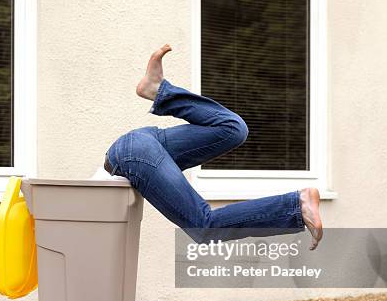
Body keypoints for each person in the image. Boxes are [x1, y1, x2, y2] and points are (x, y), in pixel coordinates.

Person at [103, 45, 323, 249]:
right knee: (233, 129)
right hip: (143, 143)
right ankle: (160, 91)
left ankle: (297, 204)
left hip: (135, 153)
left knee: (204, 226)